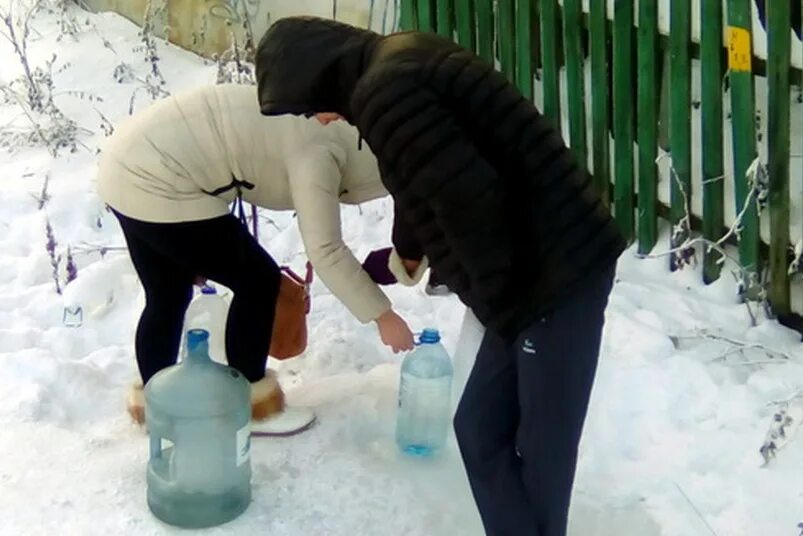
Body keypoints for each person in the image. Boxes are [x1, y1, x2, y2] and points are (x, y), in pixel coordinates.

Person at [254, 17, 626, 535]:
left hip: (557, 272)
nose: (317, 120)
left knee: (542, 450)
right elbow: (424, 183)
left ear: (318, 74)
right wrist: (402, 256)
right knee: (477, 427)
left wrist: (497, 300)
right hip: (528, 270)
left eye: (307, 106)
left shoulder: (386, 90)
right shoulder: (397, 67)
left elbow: (469, 200)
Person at [97, 83, 415, 436]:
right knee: (258, 280)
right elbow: (325, 249)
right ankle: (252, 407)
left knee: (167, 294)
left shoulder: (327, 115)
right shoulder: (320, 152)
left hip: (125, 163)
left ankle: (155, 406)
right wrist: (383, 316)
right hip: (160, 175)